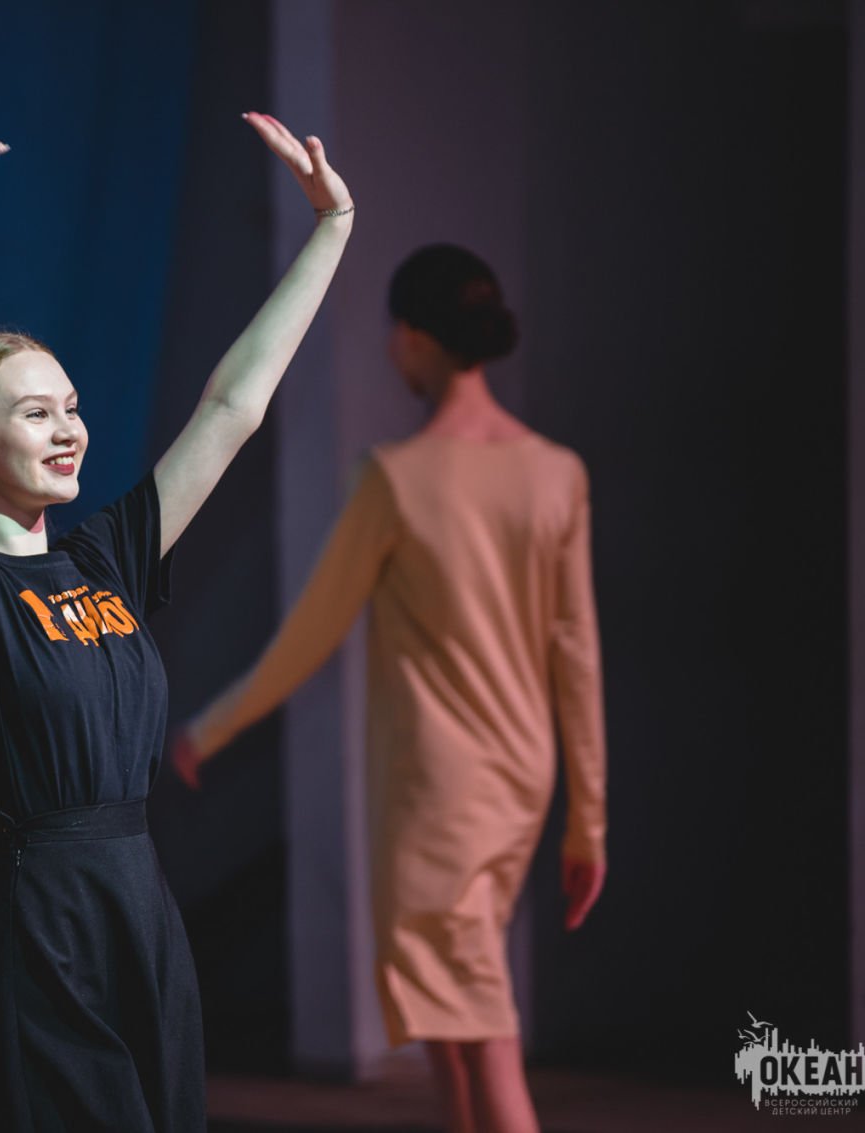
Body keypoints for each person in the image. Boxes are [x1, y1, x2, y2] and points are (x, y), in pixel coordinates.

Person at [0, 93, 352, 1131]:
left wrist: (331, 229)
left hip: (140, 912)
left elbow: (233, 407)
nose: (68, 428)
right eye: (35, 411)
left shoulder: (104, 560)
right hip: (37, 925)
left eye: (73, 407)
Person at [173, 244, 607, 1133]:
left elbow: (312, 632)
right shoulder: (556, 472)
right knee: (452, 1005)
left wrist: (210, 728)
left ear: (412, 335)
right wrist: (586, 821)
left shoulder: (396, 479)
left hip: (436, 788)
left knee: (476, 1016)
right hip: (520, 780)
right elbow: (578, 655)